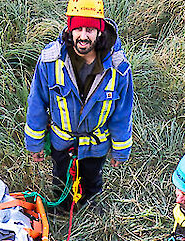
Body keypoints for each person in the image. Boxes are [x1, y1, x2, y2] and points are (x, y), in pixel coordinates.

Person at [23, 0, 133, 215]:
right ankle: (64, 208)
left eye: (90, 29)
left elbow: (122, 112)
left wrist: (120, 150)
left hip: (96, 144)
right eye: (78, 29)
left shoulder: (118, 69)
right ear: (70, 29)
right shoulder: (50, 61)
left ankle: (89, 207)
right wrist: (35, 144)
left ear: (100, 32)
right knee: (61, 177)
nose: (83, 36)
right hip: (61, 141)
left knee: (92, 178)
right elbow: (37, 103)